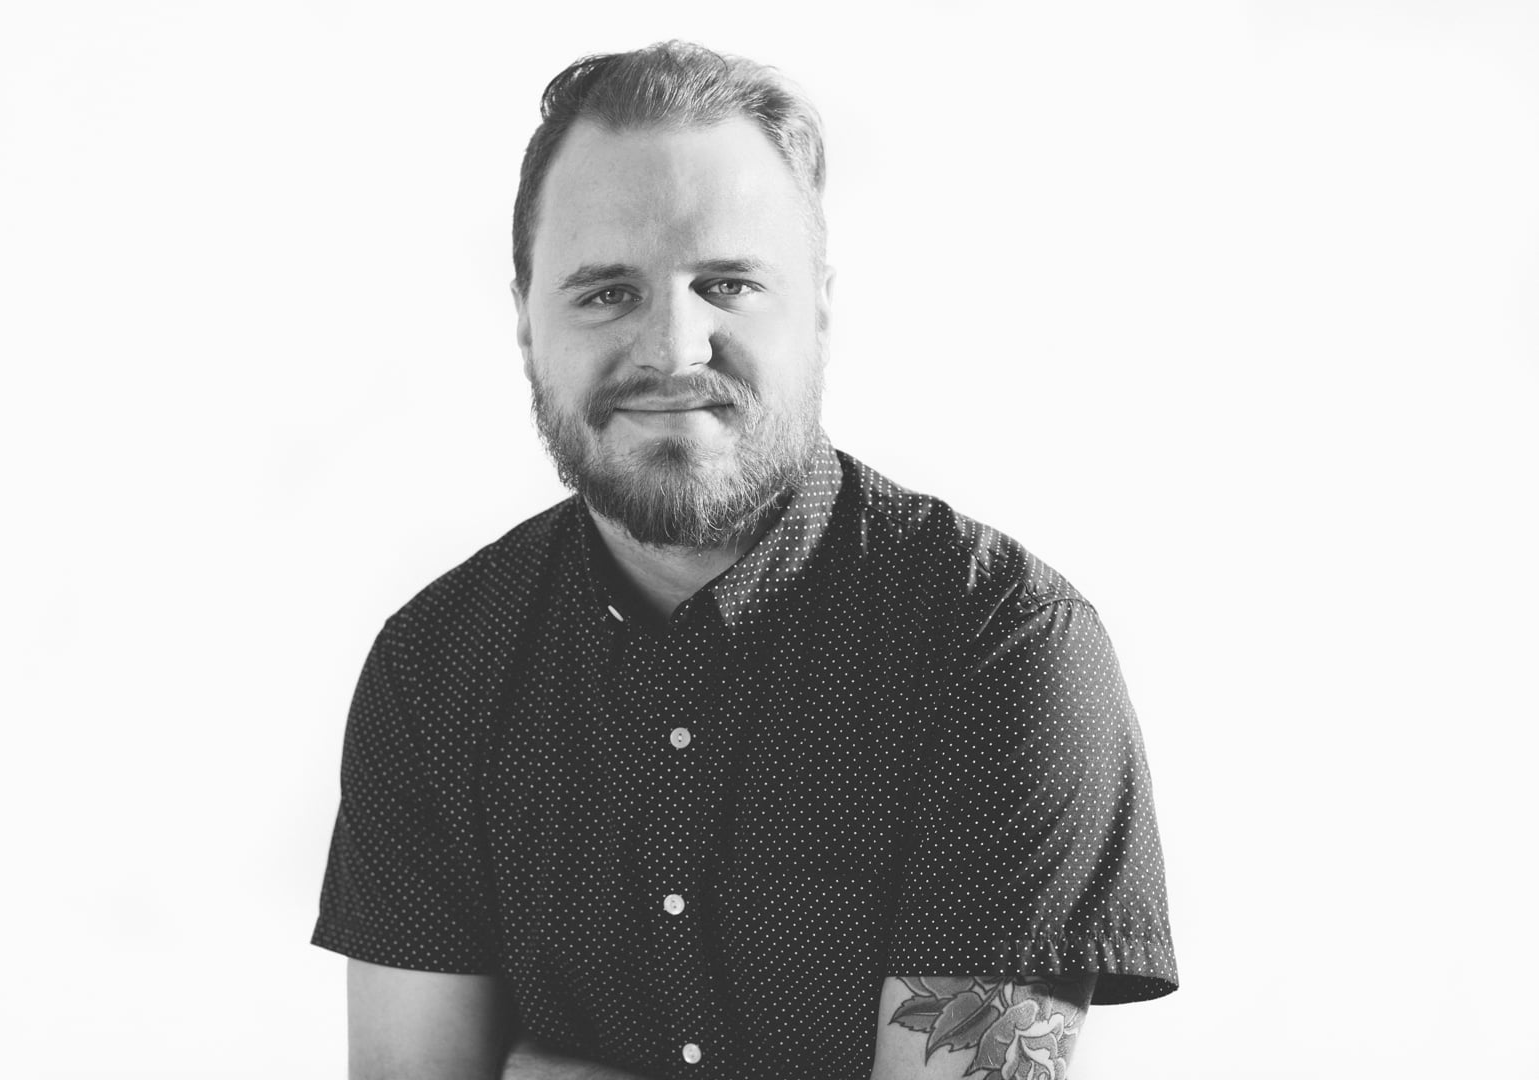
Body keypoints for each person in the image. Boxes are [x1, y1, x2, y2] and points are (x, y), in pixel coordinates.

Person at [312, 40, 1177, 1080]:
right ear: (525, 323)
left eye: (726, 283)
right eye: (605, 293)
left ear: (820, 306)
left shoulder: (1001, 650)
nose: (674, 349)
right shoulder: (435, 669)